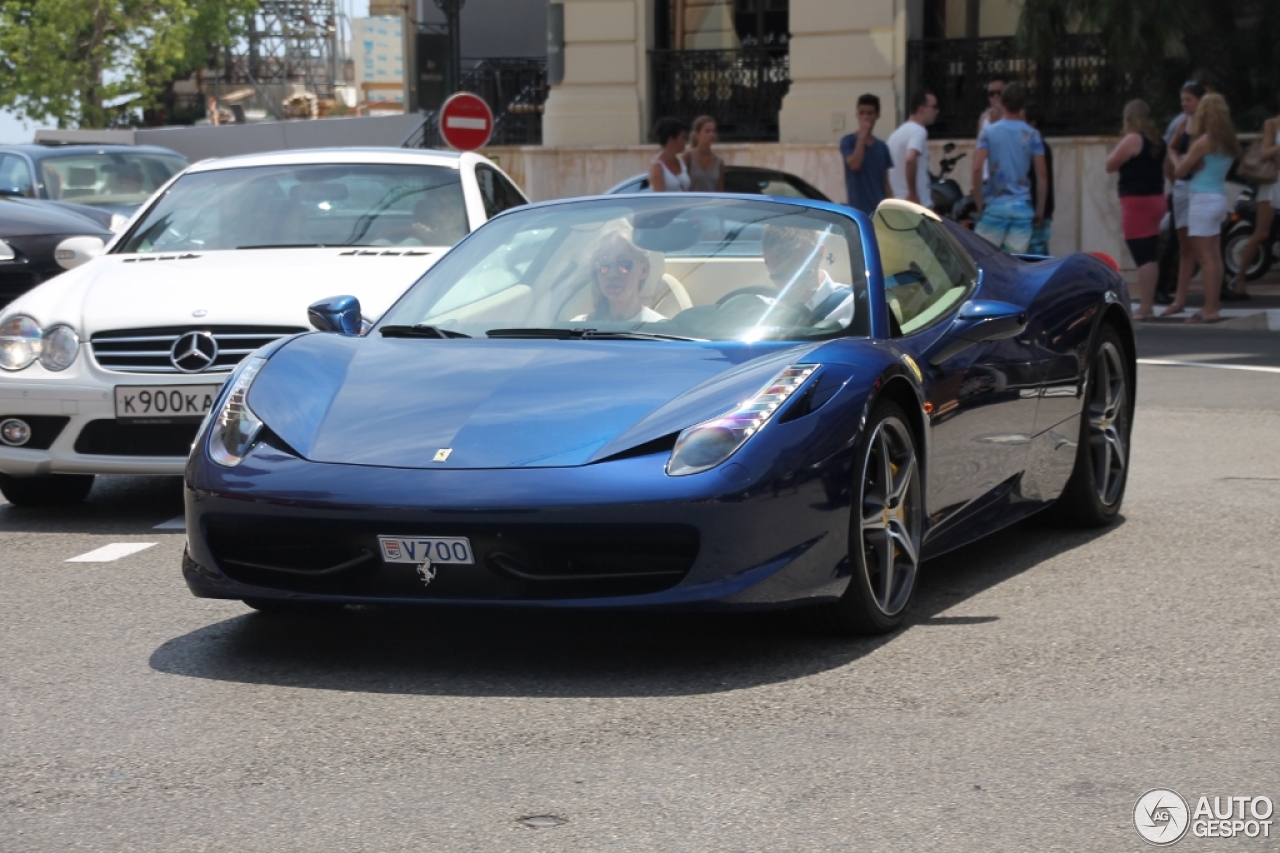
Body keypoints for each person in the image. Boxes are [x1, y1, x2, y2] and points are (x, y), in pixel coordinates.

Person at [1170, 92, 1241, 323]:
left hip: (1202, 198)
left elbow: (1180, 171)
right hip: (1219, 197)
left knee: (1205, 257)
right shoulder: (1229, 141)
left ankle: (1209, 308)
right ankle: (1214, 304)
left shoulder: (1204, 141)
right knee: (1215, 256)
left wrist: (1183, 160)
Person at [1105, 99, 1168, 320]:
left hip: (1136, 201)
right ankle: (1148, 303)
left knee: (1142, 254)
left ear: (1128, 118)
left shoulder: (1132, 139)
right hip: (1157, 199)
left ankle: (1145, 306)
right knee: (1149, 250)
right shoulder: (1158, 141)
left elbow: (1110, 164)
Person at [971, 82, 1047, 253]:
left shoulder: (988, 132)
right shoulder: (1033, 135)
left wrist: (978, 201)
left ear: (1002, 102)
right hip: (1022, 207)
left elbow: (977, 168)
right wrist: (1040, 209)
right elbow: (1042, 174)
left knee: (983, 259)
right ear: (1022, 105)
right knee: (1015, 264)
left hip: (995, 207)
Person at [1160, 81, 1206, 315]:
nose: (1185, 104)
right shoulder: (1183, 122)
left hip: (1198, 187)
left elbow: (1200, 161)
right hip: (1181, 186)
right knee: (1184, 245)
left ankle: (1210, 299)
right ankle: (1179, 299)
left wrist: (1181, 166)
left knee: (1203, 246)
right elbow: (1172, 148)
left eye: (1189, 99)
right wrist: (1177, 170)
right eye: (1183, 100)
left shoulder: (1206, 124)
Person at [755, 224, 854, 326]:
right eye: (780, 276)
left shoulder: (852, 305)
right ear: (765, 260)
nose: (793, 286)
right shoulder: (759, 308)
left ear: (819, 254)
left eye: (802, 274)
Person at [1231, 106, 1280, 298]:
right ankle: (1240, 277)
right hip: (1273, 182)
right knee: (1261, 233)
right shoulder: (1272, 124)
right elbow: (1265, 152)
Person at [573, 228, 665, 323]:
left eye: (623, 263)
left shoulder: (660, 329)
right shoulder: (576, 327)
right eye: (604, 263)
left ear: (644, 270)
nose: (612, 273)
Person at [840, 93, 893, 214]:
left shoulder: (882, 147)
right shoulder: (848, 141)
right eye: (862, 113)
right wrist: (862, 138)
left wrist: (891, 207)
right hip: (858, 210)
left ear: (877, 116)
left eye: (870, 113)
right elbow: (854, 165)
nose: (865, 117)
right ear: (857, 115)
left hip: (880, 210)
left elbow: (885, 182)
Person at [887, 90, 939, 205]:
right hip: (916, 205)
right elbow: (910, 159)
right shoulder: (919, 131)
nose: (937, 111)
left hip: (898, 203)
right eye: (934, 107)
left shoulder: (895, 135)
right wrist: (912, 193)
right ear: (921, 109)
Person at [1025, 103, 1054, 255]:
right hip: (1038, 212)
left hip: (1037, 212)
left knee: (1037, 256)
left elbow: (1041, 178)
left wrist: (1039, 211)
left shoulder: (1038, 147)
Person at [682, 115, 725, 193]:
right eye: (707, 131)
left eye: (714, 131)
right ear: (697, 134)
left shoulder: (718, 161)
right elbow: (682, 186)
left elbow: (720, 190)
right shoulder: (688, 157)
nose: (711, 134)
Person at [648, 117, 690, 192]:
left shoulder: (681, 162)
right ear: (671, 140)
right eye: (683, 138)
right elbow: (659, 198)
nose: (685, 142)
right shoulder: (658, 167)